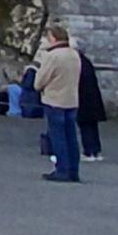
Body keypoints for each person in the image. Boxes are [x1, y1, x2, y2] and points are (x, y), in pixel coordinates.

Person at [35, 25, 83, 183]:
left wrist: (39, 86)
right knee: (71, 137)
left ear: (53, 37)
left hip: (55, 100)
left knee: (58, 137)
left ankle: (61, 170)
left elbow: (40, 80)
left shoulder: (52, 56)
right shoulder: (74, 54)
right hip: (71, 99)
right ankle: (73, 170)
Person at [77, 44, 106, 162]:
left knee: (86, 126)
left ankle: (89, 152)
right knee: (92, 127)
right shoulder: (86, 62)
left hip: (84, 99)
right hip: (92, 99)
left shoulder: (78, 64)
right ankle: (96, 150)